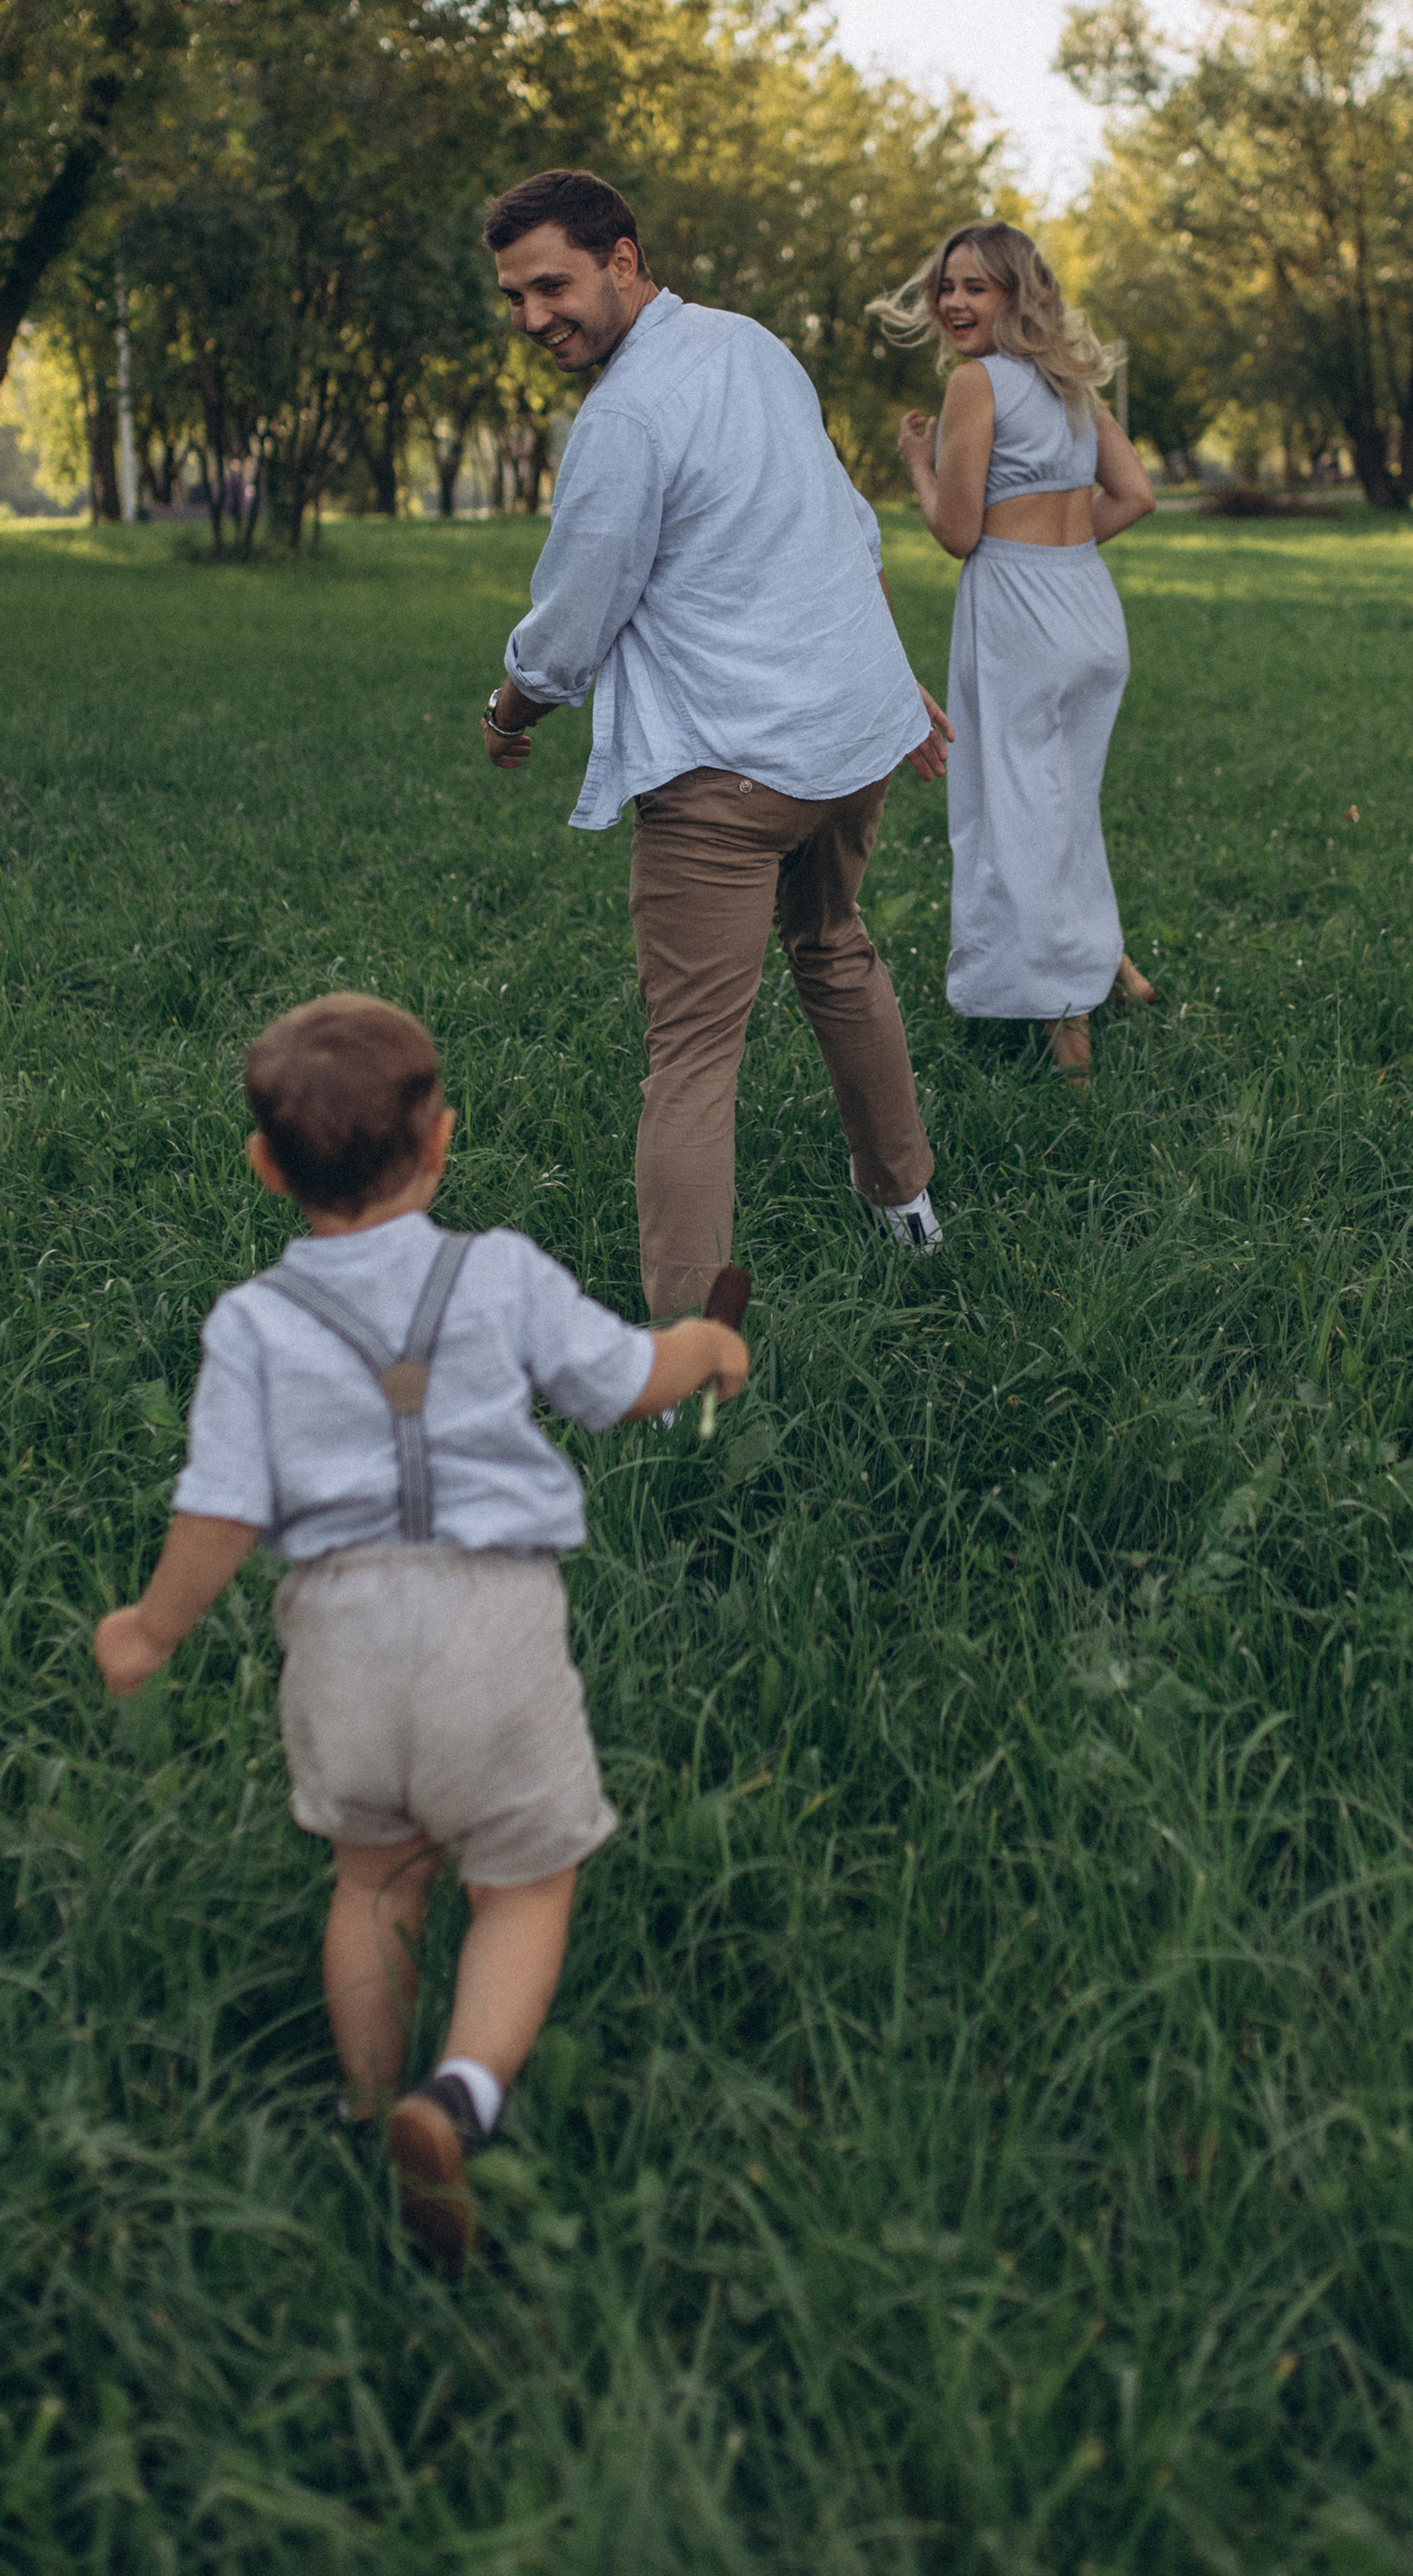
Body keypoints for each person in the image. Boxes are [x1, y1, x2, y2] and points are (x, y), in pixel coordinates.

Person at [92, 992, 749, 2269]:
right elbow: (627, 1384)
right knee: (521, 1884)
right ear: (443, 1142)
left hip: (337, 1641)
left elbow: (218, 1510)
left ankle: (361, 2103)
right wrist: (706, 1342)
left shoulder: (254, 1328)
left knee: (375, 1880)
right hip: (493, 1629)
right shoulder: (496, 1274)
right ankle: (456, 2098)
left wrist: (150, 1632)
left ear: (265, 1168)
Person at [476, 167, 954, 1316]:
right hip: (844, 744)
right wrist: (898, 686)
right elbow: (845, 520)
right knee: (835, 947)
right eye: (513, 298)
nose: (535, 317)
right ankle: (909, 1212)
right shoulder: (750, 346)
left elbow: (571, 627)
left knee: (693, 1056)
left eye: (553, 286)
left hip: (726, 773)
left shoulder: (627, 416)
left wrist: (507, 712)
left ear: (623, 260)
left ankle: (687, 1346)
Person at [872, 222, 1158, 1077]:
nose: (955, 303)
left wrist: (919, 466)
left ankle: (1062, 1019)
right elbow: (1136, 494)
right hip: (1089, 612)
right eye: (946, 287)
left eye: (977, 287)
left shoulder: (977, 384)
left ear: (1015, 296)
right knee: (1067, 802)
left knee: (1017, 813)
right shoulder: (1071, 381)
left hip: (1017, 617)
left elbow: (958, 534)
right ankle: (1110, 962)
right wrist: (1060, 553)